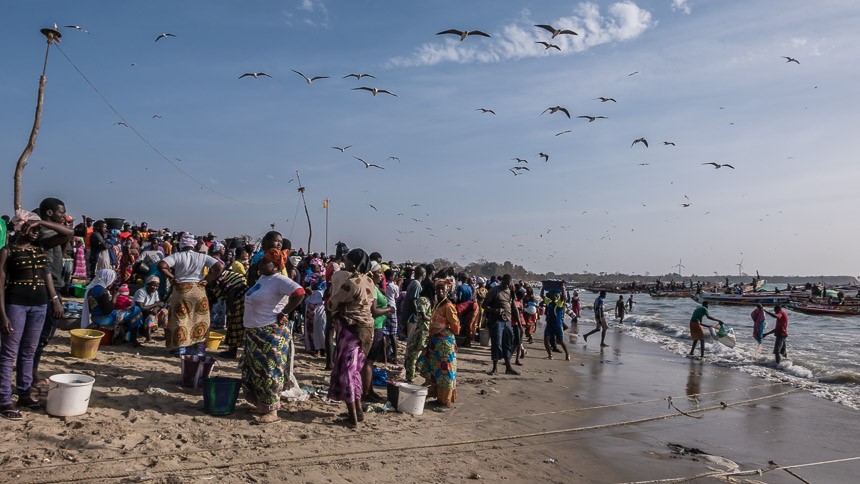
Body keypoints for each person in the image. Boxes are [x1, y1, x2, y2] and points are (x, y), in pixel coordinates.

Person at [0, 210, 65, 419]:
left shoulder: (41, 247)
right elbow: (0, 286)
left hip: (39, 305)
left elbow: (68, 233)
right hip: (15, 305)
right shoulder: (7, 251)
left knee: (29, 351)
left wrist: (41, 222)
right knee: (9, 353)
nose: (36, 233)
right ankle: (4, 400)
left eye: (39, 230)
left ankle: (25, 393)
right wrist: (2, 315)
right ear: (21, 227)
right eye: (32, 229)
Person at [241, 248, 305, 424]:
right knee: (257, 372)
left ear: (276, 265)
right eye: (261, 262)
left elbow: (299, 293)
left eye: (265, 262)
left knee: (270, 372)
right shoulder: (264, 278)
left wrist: (285, 312)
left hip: (269, 333)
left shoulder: (280, 280)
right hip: (255, 332)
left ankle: (272, 412)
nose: (260, 265)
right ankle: (262, 405)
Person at [326, 248, 375, 427]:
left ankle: (352, 416)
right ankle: (359, 412)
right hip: (367, 331)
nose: (344, 263)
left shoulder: (351, 283)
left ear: (353, 263)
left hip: (351, 329)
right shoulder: (370, 281)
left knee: (347, 372)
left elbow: (333, 302)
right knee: (355, 371)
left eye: (346, 260)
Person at [157, 233, 224, 355]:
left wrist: (172, 278)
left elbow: (162, 265)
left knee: (180, 318)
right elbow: (219, 267)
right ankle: (198, 350)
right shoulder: (202, 257)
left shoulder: (177, 256)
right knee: (199, 318)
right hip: (198, 289)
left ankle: (180, 348)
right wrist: (207, 279)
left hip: (181, 289)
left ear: (181, 245)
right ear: (193, 245)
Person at [418, 279, 460, 406]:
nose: (440, 291)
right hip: (436, 342)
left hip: (444, 343)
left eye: (443, 289)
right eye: (438, 289)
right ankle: (437, 397)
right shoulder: (438, 304)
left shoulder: (448, 306)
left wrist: (443, 331)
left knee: (445, 371)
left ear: (447, 290)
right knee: (435, 369)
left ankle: (445, 400)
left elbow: (456, 327)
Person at [482, 274, 520, 375]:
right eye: (505, 283)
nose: (507, 286)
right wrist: (494, 310)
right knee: (496, 344)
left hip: (508, 321)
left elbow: (513, 307)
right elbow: (484, 305)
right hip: (497, 321)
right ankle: (494, 368)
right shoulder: (494, 291)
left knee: (507, 344)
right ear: (502, 281)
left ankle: (508, 367)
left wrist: (519, 323)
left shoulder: (510, 291)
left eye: (508, 284)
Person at [134, 275, 168, 343]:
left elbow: (158, 304)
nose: (155, 288)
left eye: (156, 286)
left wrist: (156, 309)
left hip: (149, 311)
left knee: (165, 311)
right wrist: (156, 305)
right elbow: (141, 307)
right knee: (151, 316)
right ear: (148, 284)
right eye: (153, 285)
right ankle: (148, 338)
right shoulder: (141, 292)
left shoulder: (155, 292)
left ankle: (167, 335)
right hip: (139, 313)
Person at [542, 289, 570, 361]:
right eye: (550, 295)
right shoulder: (549, 302)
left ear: (556, 296)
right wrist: (543, 288)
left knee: (560, 341)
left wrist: (563, 290)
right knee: (546, 340)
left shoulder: (559, 303)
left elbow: (563, 297)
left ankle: (567, 354)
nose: (551, 296)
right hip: (549, 325)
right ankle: (550, 355)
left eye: (552, 295)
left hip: (558, 325)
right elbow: (542, 296)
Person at [382, 268, 400, 363]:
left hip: (384, 308)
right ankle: (395, 357)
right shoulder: (394, 286)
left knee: (384, 334)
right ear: (392, 277)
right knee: (393, 334)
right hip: (392, 309)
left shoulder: (384, 286)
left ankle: (384, 357)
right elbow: (397, 297)